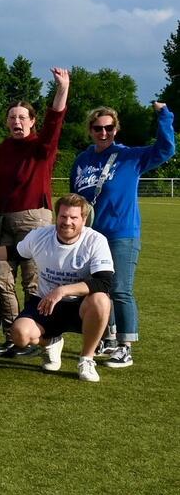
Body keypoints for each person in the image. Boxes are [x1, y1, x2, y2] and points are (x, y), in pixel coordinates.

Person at [70, 102, 174, 367]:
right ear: (90, 130)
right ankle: (108, 337)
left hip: (121, 234)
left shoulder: (130, 156)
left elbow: (165, 149)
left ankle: (125, 347)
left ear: (116, 129)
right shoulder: (83, 160)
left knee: (120, 290)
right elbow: (75, 198)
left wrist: (164, 115)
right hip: (91, 237)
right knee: (97, 290)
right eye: (97, 128)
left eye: (109, 128)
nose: (103, 133)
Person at [0, 194, 115, 382]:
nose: (67, 222)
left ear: (84, 219)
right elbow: (14, 252)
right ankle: (51, 342)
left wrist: (62, 290)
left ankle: (86, 359)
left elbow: (104, 282)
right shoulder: (40, 235)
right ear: (56, 216)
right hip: (46, 303)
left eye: (73, 218)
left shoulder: (95, 240)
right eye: (63, 216)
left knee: (101, 299)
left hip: (80, 305)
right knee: (18, 335)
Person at [0, 66, 70, 351]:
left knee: (33, 281)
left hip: (34, 220)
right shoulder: (2, 150)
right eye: (12, 117)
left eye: (22, 117)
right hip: (5, 223)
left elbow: (55, 123)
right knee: (1, 278)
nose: (17, 121)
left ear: (32, 121)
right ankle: (14, 335)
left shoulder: (41, 147)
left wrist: (62, 89)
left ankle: (37, 333)